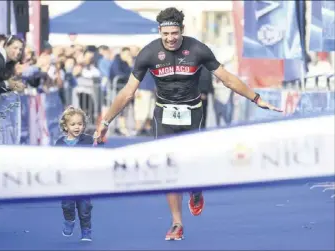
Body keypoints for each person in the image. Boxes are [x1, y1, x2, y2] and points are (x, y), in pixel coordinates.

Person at [94, 7, 282, 241]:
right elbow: (127, 92)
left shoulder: (198, 49)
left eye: (174, 33)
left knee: (191, 165)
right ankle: (176, 223)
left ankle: (195, 189)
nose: (170, 38)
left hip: (192, 113)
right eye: (165, 34)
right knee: (168, 167)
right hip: (164, 114)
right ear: (159, 32)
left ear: (182, 30)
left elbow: (227, 79)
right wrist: (106, 121)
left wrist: (256, 98)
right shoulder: (148, 53)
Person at [55, 106, 94, 242]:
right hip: (67, 182)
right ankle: (69, 220)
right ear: (65, 127)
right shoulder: (59, 144)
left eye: (80, 124)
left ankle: (86, 231)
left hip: (84, 182)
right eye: (73, 124)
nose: (77, 127)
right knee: (67, 205)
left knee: (85, 208)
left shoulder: (88, 140)